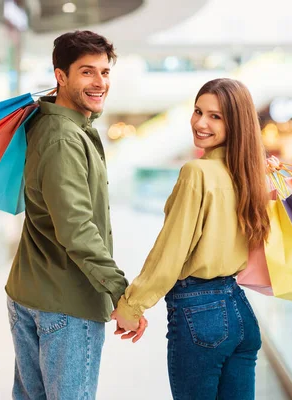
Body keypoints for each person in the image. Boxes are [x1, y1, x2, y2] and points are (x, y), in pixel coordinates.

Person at [5, 30, 146, 400]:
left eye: (104, 72)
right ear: (61, 76)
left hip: (32, 291)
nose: (100, 82)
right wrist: (120, 293)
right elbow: (76, 229)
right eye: (87, 72)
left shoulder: (49, 124)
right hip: (65, 304)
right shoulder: (64, 137)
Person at [113, 78, 270, 399]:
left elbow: (170, 252)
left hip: (201, 316)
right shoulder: (251, 174)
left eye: (215, 116)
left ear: (236, 123)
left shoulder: (197, 173)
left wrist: (132, 306)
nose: (200, 123)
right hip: (240, 310)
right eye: (198, 111)